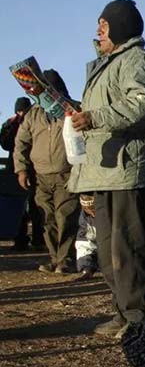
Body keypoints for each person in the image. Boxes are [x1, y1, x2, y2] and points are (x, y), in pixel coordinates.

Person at [69, 0, 145, 339]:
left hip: (128, 169)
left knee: (129, 248)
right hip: (105, 170)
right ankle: (123, 314)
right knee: (110, 249)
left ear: (121, 27)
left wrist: (94, 117)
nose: (98, 30)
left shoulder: (135, 60)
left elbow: (141, 103)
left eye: (104, 24)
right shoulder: (109, 65)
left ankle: (140, 319)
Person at [13, 70, 80, 273]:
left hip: (67, 173)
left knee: (65, 216)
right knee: (47, 218)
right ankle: (55, 258)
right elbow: (21, 142)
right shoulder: (34, 113)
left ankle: (66, 259)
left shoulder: (72, 109)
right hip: (41, 176)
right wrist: (21, 170)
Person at [1, 96, 45, 251]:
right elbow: (6, 144)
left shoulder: (34, 122)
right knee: (18, 205)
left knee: (36, 205)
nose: (20, 114)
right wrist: (8, 126)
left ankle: (39, 238)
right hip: (16, 168)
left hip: (34, 167)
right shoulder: (11, 125)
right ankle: (20, 238)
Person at [75, 194, 98, 279]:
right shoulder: (85, 219)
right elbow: (84, 242)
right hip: (91, 227)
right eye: (88, 210)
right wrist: (87, 268)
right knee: (83, 241)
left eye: (94, 210)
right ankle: (87, 268)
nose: (92, 213)